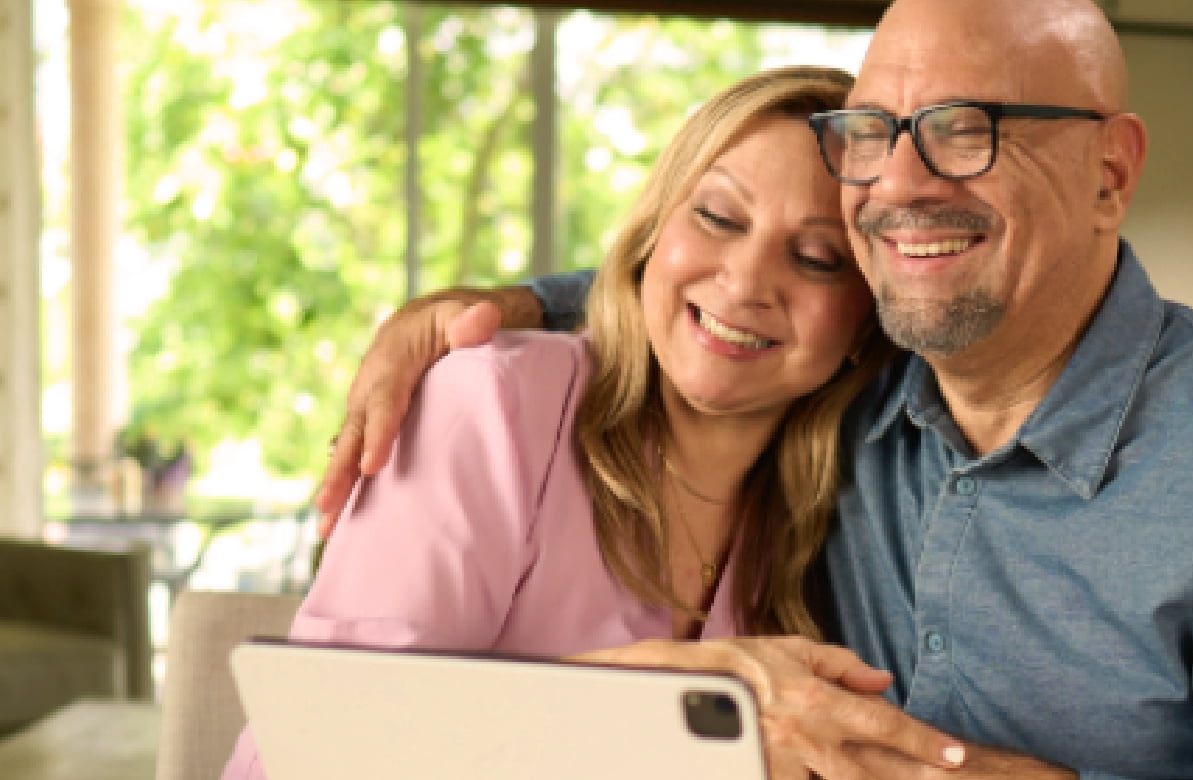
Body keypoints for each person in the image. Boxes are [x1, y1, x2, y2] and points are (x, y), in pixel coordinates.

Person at [319, 0, 1193, 777]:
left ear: (1111, 173)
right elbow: (721, 292)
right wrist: (499, 303)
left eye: (966, 132)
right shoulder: (858, 381)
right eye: (876, 134)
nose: (902, 184)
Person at [222, 66, 970, 780]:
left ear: (865, 327)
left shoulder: (823, 520)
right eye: (716, 216)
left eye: (815, 258)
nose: (744, 283)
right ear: (650, 238)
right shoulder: (489, 401)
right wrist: (663, 691)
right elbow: (328, 741)